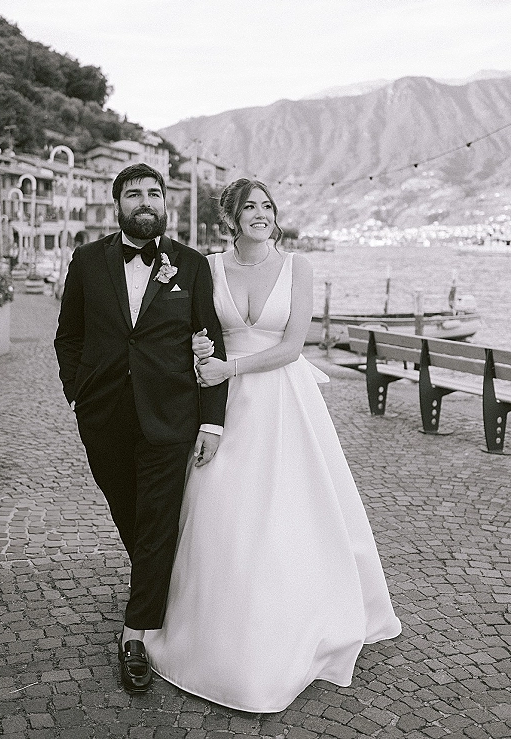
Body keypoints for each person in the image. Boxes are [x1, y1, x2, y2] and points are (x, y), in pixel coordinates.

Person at [144, 178, 402, 713]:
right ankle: (212, 626)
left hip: (283, 401)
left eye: (267, 206)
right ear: (231, 219)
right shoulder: (208, 267)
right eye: (249, 208)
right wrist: (197, 358)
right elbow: (194, 325)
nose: (260, 214)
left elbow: (290, 347)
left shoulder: (297, 268)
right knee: (222, 513)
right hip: (222, 409)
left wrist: (226, 367)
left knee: (289, 510)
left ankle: (296, 620)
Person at [54, 163, 228, 693]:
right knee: (126, 509)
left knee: (157, 517)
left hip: (169, 415)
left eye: (155, 193)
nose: (146, 202)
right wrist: (77, 390)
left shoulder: (192, 266)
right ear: (118, 205)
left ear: (165, 203)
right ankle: (157, 587)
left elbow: (210, 341)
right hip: (103, 415)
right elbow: (69, 336)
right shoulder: (86, 262)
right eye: (135, 195)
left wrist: (212, 420)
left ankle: (137, 633)